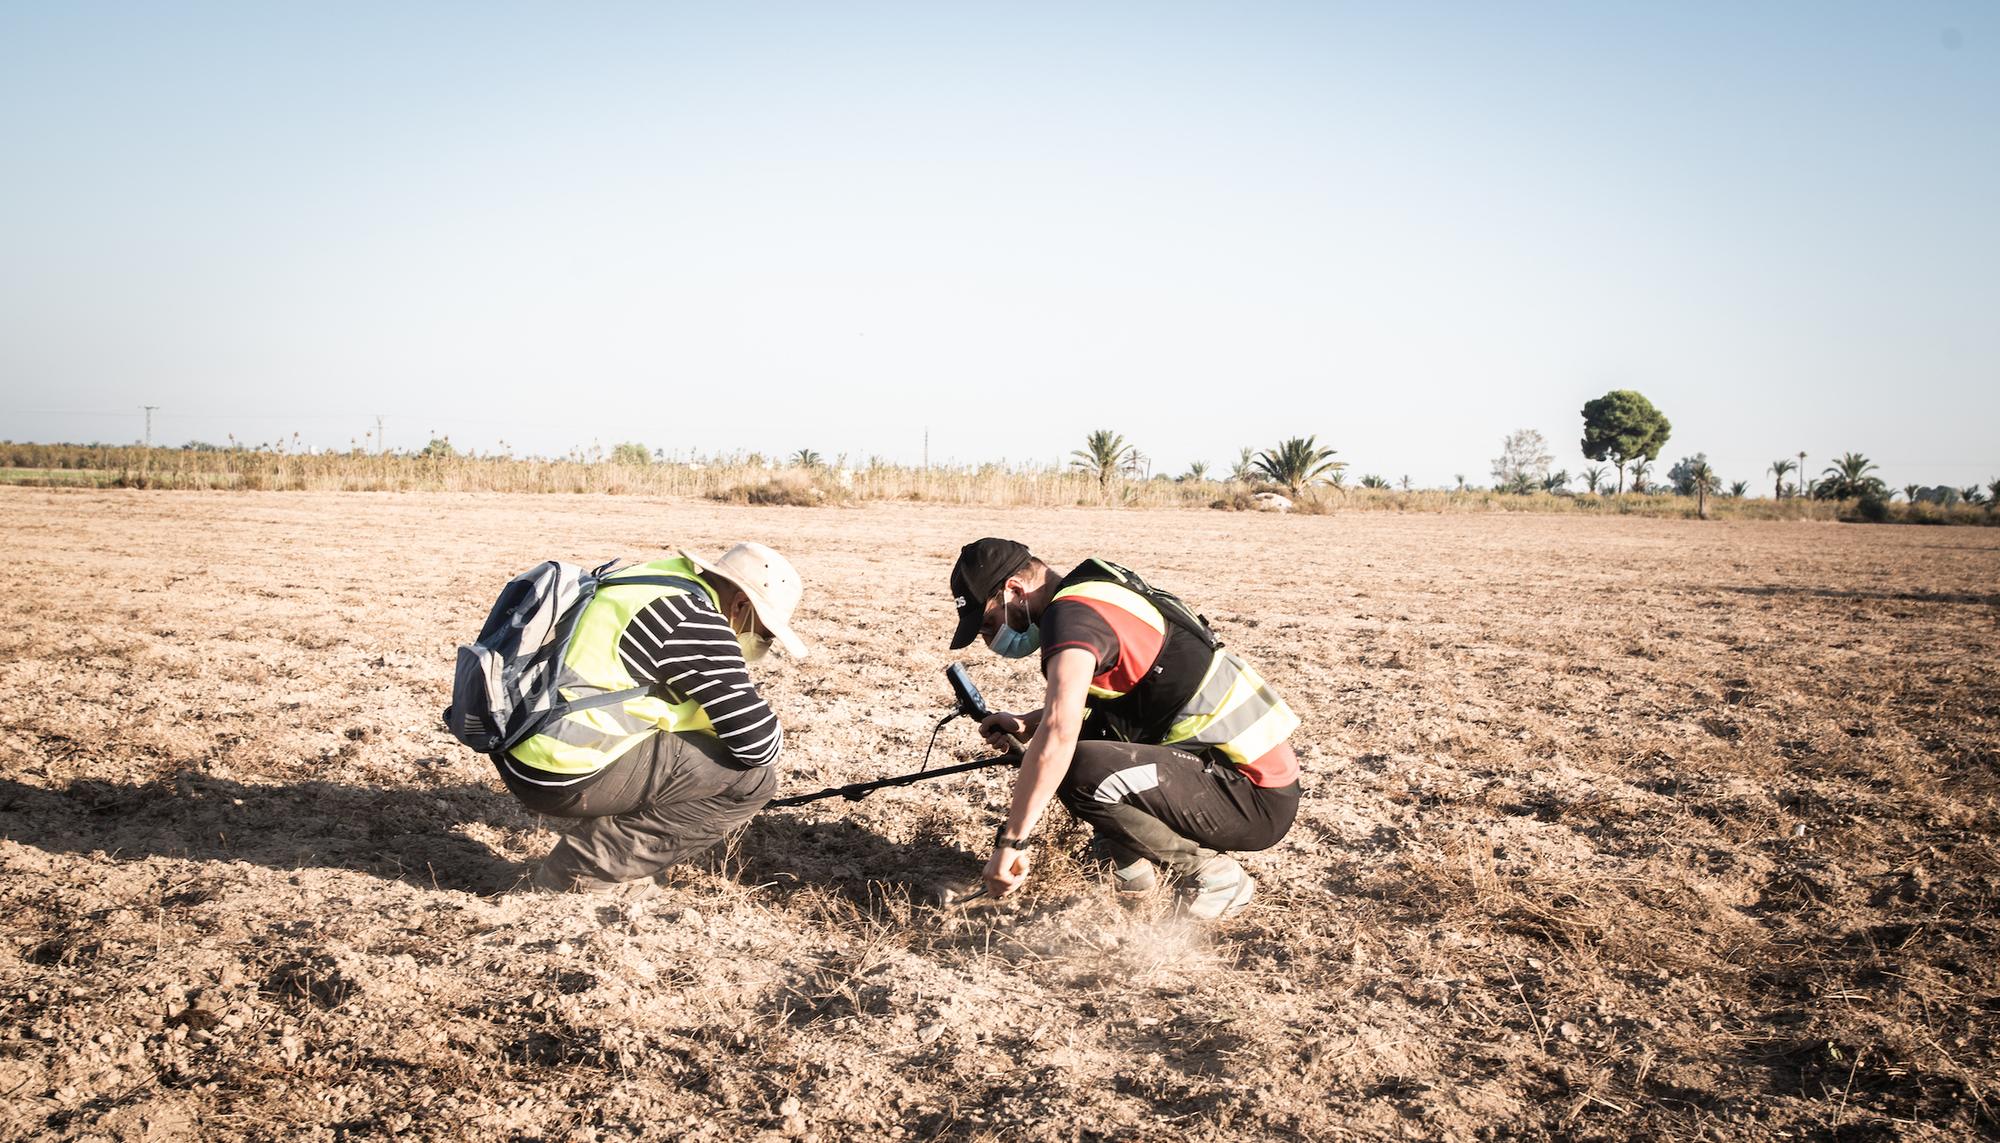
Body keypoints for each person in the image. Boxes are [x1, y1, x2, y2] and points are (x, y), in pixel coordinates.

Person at [946, 538, 1302, 919]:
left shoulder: (1071, 619)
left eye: (987, 623)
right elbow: (1125, 690)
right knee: (1086, 748)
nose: (989, 639)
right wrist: (1027, 723)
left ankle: (1215, 878)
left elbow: (1059, 735)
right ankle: (1130, 877)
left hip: (1251, 795)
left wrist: (1012, 843)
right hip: (1240, 781)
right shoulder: (1095, 588)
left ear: (1015, 590)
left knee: (1077, 766)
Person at [500, 542, 808, 894]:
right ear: (740, 604)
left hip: (522, 741)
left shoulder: (647, 579)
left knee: (686, 747)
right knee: (752, 782)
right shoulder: (696, 621)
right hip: (559, 768)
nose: (759, 642)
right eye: (764, 633)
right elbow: (757, 745)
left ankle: (605, 845)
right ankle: (583, 871)